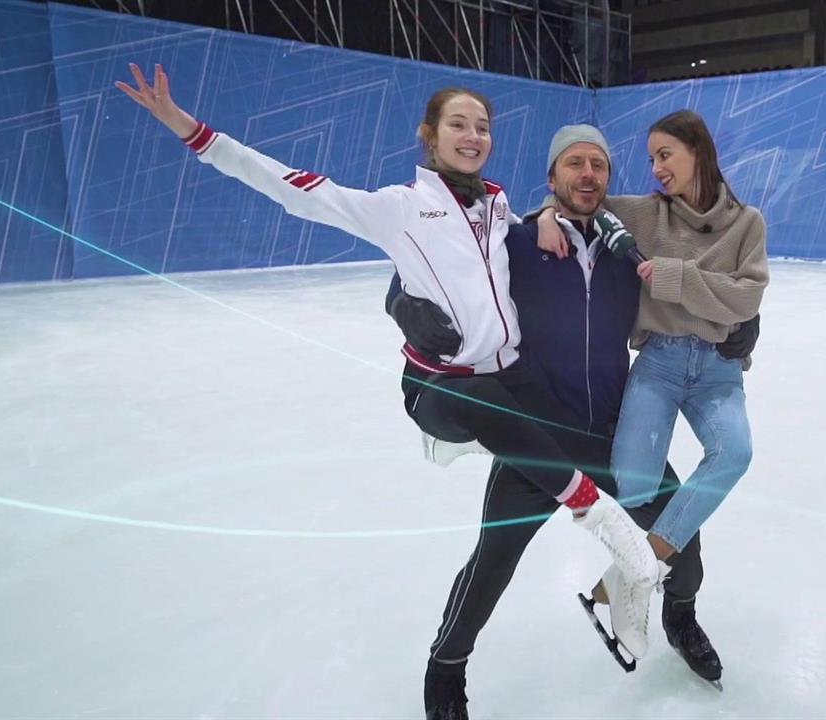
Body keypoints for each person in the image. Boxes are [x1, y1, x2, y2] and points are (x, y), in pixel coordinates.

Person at [113, 63, 663, 654]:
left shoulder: (497, 208)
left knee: (556, 465)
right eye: (458, 124)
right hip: (442, 387)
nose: (472, 135)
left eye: (482, 126)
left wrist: (546, 214)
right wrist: (191, 130)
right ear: (430, 135)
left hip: (507, 385)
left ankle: (616, 579)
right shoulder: (399, 207)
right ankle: (592, 518)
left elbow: (522, 234)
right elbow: (294, 189)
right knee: (485, 421)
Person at [389, 125, 758, 718]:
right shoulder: (513, 240)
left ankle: (680, 617)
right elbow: (427, 270)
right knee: (493, 562)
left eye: (599, 165)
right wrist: (403, 305)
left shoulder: (626, 246)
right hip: (537, 440)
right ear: (552, 176)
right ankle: (446, 668)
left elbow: (704, 273)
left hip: (615, 432)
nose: (588, 175)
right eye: (575, 163)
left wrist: (744, 323)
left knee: (683, 541)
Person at [537, 109, 768, 661]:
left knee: (734, 452)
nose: (657, 168)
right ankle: (641, 575)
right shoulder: (645, 213)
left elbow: (747, 297)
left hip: (716, 368)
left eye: (665, 155)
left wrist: (673, 277)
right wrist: (546, 213)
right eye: (651, 159)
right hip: (659, 361)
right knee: (634, 483)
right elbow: (578, 199)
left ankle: (633, 579)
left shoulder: (746, 223)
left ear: (697, 151)